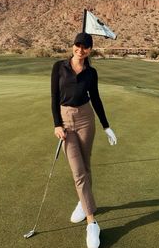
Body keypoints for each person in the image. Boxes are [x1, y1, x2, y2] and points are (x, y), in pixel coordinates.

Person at [51, 32, 117, 248]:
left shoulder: (91, 72)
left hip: (86, 118)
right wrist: (57, 124)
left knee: (86, 166)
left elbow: (96, 99)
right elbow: (53, 98)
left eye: (85, 47)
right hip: (66, 121)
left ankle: (83, 203)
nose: (80, 49)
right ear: (73, 46)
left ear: (90, 50)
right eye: (78, 45)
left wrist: (107, 126)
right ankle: (92, 222)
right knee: (78, 171)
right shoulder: (59, 67)